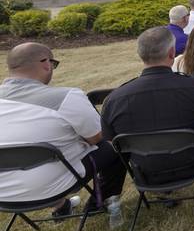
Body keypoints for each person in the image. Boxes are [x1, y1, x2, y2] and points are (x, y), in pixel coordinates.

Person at [0, 43, 126, 215]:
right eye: (53, 64)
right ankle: (99, 203)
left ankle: (61, 207)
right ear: (45, 63)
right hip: (50, 187)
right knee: (114, 145)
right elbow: (97, 137)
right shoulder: (66, 97)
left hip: (4, 194)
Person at [102, 27, 194, 185]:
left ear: (140, 55)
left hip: (146, 172)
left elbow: (114, 145)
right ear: (172, 53)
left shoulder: (113, 100)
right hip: (193, 165)